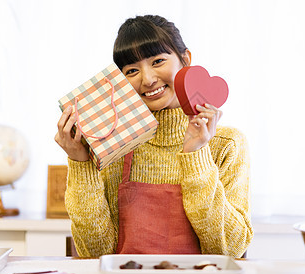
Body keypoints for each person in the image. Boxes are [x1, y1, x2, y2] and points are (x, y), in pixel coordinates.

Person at [55, 15, 253, 258]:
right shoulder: (113, 144)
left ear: (186, 59)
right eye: (132, 70)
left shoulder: (226, 144)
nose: (147, 79)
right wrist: (81, 163)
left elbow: (230, 251)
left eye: (158, 61)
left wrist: (196, 155)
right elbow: (95, 253)